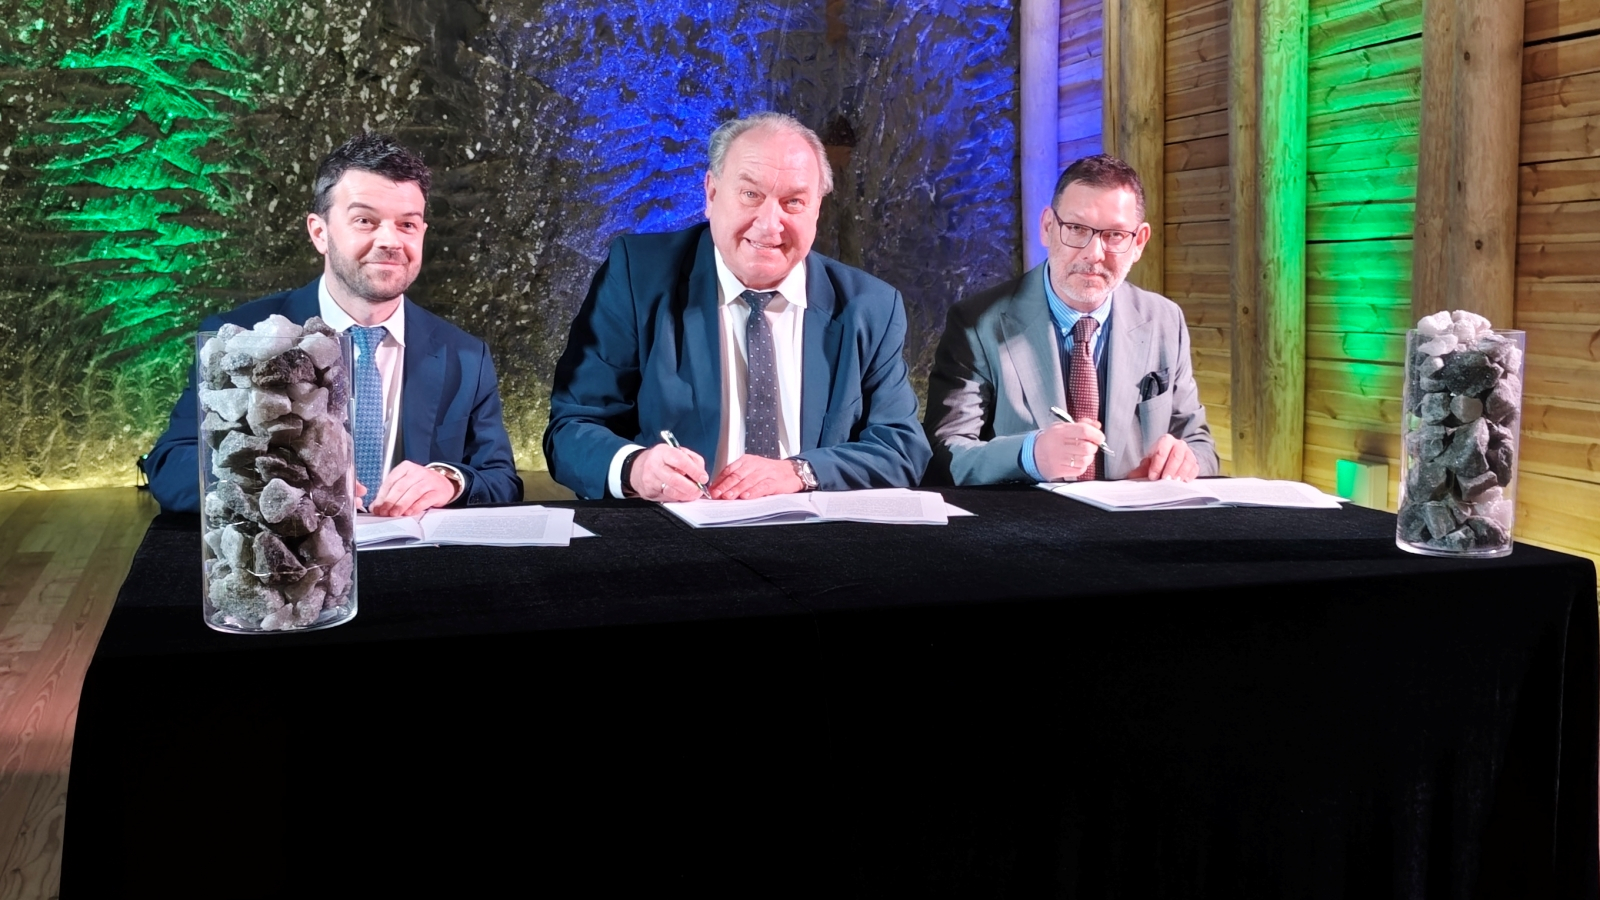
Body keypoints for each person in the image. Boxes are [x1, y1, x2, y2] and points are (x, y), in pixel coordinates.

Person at [544, 112, 929, 501]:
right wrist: (635, 467)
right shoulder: (638, 277)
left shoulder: (870, 306)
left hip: (815, 531)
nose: (770, 224)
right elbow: (571, 429)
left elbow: (901, 448)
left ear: (817, 210)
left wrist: (801, 472)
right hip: (675, 528)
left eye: (794, 202)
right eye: (750, 195)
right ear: (711, 194)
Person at [143, 133, 522, 515]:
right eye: (365, 220)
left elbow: (501, 479)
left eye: (407, 224)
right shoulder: (242, 338)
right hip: (295, 549)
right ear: (319, 232)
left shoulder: (465, 357)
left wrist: (450, 480)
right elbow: (172, 466)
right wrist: (282, 484)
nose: (390, 241)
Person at [923, 154, 1218, 485]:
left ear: (1139, 242)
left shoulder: (1165, 320)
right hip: (1027, 518)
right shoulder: (976, 324)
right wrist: (1030, 456)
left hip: (1136, 517)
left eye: (1115, 235)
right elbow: (943, 456)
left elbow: (1200, 444)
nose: (1094, 254)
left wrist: (1186, 460)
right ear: (1048, 228)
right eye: (1077, 229)